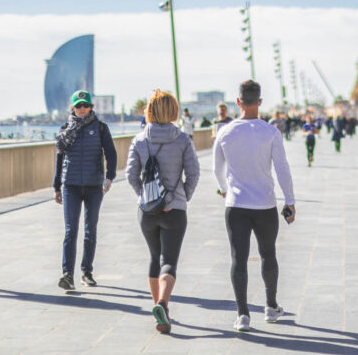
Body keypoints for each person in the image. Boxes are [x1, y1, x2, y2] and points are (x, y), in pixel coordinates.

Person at [213, 80, 296, 332]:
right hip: (265, 205)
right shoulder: (270, 132)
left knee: (238, 258)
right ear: (259, 102)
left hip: (236, 206)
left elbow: (217, 169)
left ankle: (242, 315)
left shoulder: (225, 133)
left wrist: (224, 189)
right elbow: (282, 168)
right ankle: (270, 307)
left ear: (238, 102)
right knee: (268, 254)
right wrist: (289, 201)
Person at [127, 90, 200, 334]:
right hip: (174, 210)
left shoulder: (138, 140)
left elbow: (130, 175)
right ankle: (162, 304)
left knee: (153, 257)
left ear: (149, 111)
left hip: (147, 211)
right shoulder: (182, 140)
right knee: (168, 261)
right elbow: (193, 173)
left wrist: (144, 197)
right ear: (173, 111)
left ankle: (159, 314)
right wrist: (182, 196)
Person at [52, 90, 117, 291]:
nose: (82, 109)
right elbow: (59, 158)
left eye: (85, 105)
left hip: (93, 186)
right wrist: (56, 186)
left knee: (90, 230)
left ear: (91, 107)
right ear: (72, 107)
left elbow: (111, 154)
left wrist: (109, 177)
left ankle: (86, 271)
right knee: (71, 230)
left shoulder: (100, 128)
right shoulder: (65, 129)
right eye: (78, 106)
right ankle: (67, 274)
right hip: (70, 185)